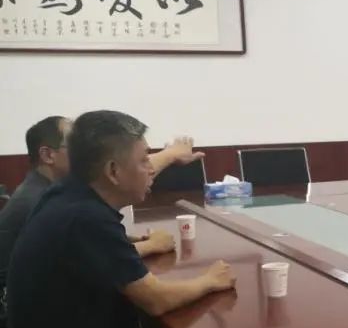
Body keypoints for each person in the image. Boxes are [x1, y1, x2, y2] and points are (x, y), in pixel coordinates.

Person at [4, 110, 238, 328]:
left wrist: (167, 156)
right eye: (143, 160)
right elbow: (156, 300)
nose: (150, 169)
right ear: (113, 171)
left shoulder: (67, 193)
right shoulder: (85, 217)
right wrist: (210, 280)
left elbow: (96, 243)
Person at [0, 115, 204, 291]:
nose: (86, 151)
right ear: (47, 155)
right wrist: (151, 245)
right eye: (75, 145)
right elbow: (97, 253)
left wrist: (170, 155)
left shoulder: (57, 189)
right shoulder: (44, 200)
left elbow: (127, 171)